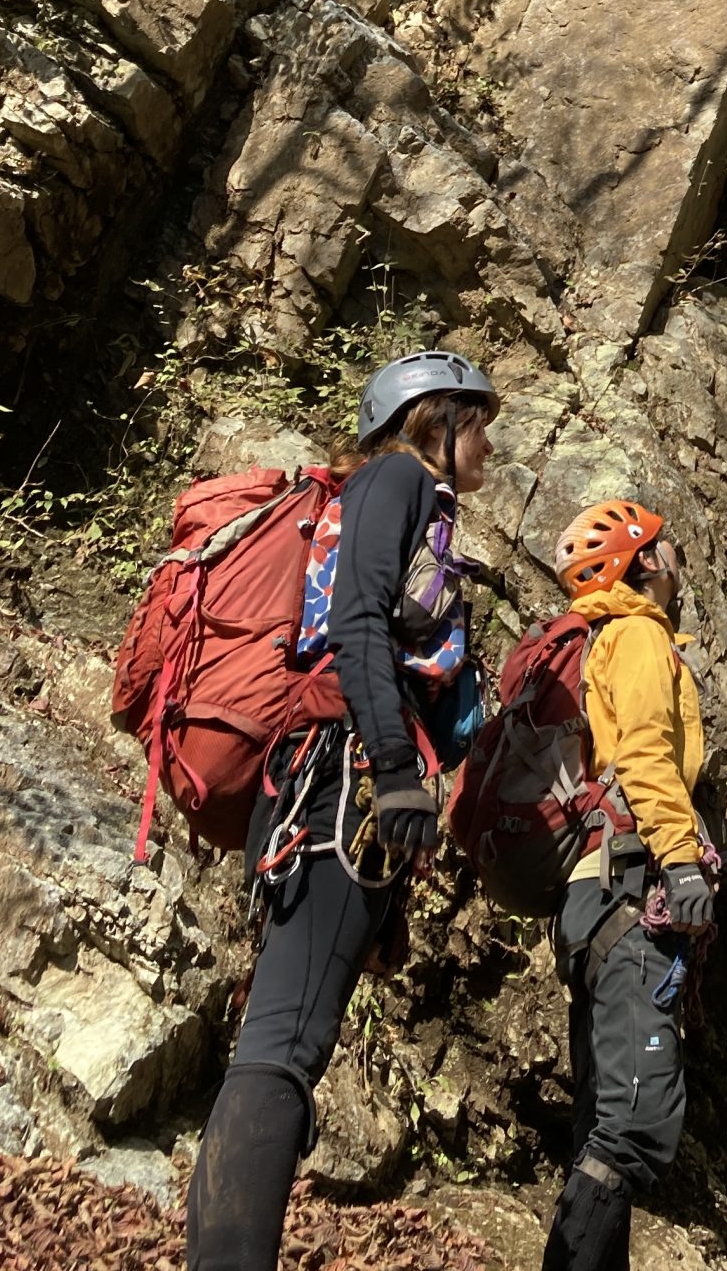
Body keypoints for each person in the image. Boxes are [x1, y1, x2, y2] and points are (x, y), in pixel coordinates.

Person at [185, 350, 496, 1271]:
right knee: (285, 1044)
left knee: (282, 1038)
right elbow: (357, 617)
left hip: (331, 780)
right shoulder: (397, 479)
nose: (489, 443)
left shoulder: (402, 497)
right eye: (478, 421)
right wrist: (396, 767)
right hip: (341, 777)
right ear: (435, 419)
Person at [541, 499, 715, 1271]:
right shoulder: (639, 636)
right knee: (637, 1118)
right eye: (664, 545)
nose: (676, 557)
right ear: (645, 562)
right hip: (628, 889)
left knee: (606, 1120)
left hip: (588, 899)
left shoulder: (598, 643)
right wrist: (680, 861)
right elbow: (646, 752)